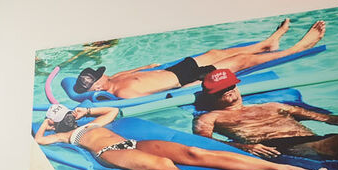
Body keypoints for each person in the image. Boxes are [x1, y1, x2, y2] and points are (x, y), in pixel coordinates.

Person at [35, 104, 326, 170]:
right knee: (162, 164)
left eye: (69, 115)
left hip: (133, 144)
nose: (70, 119)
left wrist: (87, 108)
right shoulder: (64, 133)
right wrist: (47, 124)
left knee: (194, 152)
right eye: (64, 118)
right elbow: (41, 141)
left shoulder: (91, 120)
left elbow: (112, 110)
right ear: (59, 122)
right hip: (110, 152)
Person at [71, 19, 325, 99]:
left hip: (176, 68)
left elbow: (138, 70)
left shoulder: (114, 78)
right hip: (185, 78)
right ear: (94, 87)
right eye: (95, 82)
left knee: (217, 53)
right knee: (241, 61)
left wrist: (149, 66)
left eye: (97, 76)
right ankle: (297, 48)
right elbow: (162, 92)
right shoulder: (123, 93)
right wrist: (196, 85)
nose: (100, 79)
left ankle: (267, 43)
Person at [192, 69, 338, 159]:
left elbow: (326, 118)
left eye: (230, 85)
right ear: (211, 96)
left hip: (312, 140)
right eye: (221, 90)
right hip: (275, 147)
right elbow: (204, 142)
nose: (228, 90)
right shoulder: (209, 117)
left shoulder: (273, 106)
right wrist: (245, 147)